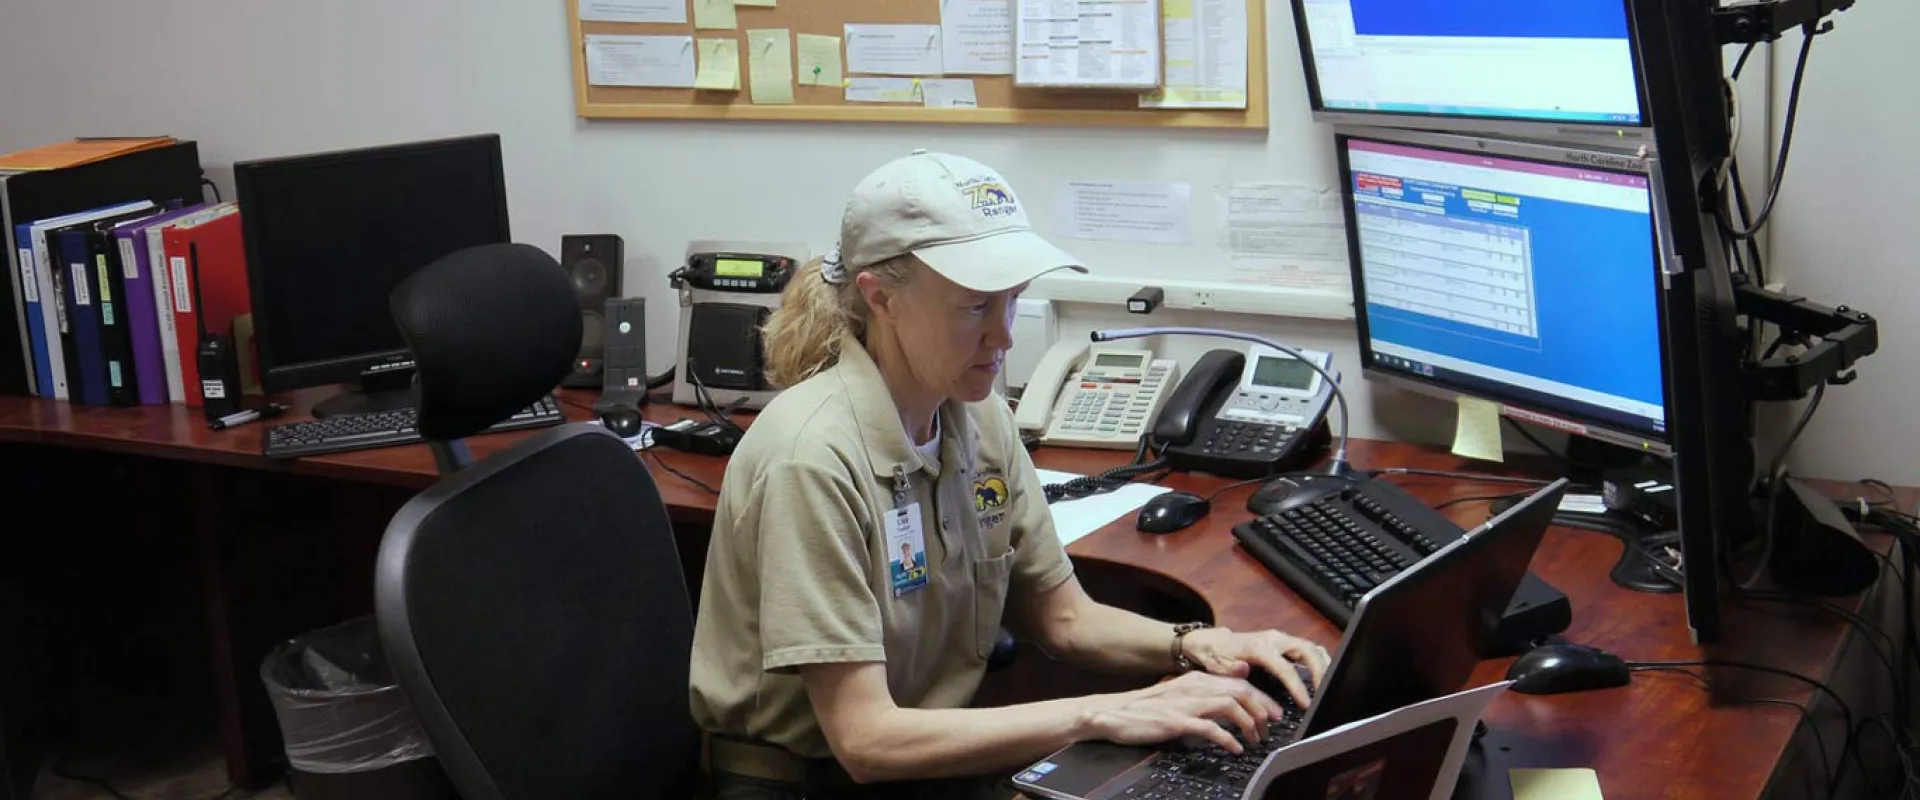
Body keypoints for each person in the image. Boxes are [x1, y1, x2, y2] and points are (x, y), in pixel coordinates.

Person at [688, 149, 1334, 799]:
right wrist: (1100, 713)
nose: (1002, 337)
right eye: (974, 308)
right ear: (880, 298)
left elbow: (1067, 621)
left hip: (929, 761)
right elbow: (865, 740)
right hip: (808, 782)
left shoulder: (979, 414)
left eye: (1013, 302)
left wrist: (1202, 645)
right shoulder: (812, 458)